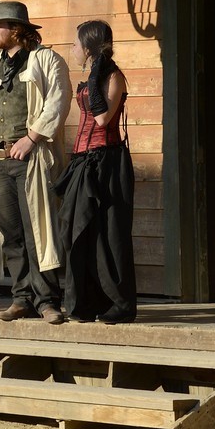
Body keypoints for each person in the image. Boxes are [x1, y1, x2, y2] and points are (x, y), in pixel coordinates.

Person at [0, 1, 72, 325]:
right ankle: (21, 298)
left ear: (17, 29)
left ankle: (47, 301)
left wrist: (33, 137)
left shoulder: (45, 60)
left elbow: (58, 100)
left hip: (29, 158)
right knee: (10, 232)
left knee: (37, 229)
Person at [55, 19, 137, 324]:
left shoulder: (114, 77)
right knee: (77, 230)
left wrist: (93, 81)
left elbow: (102, 120)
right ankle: (85, 302)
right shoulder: (93, 74)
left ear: (88, 46)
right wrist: (91, 77)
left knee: (110, 233)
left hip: (109, 163)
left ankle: (120, 304)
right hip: (83, 161)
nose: (73, 49)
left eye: (76, 44)